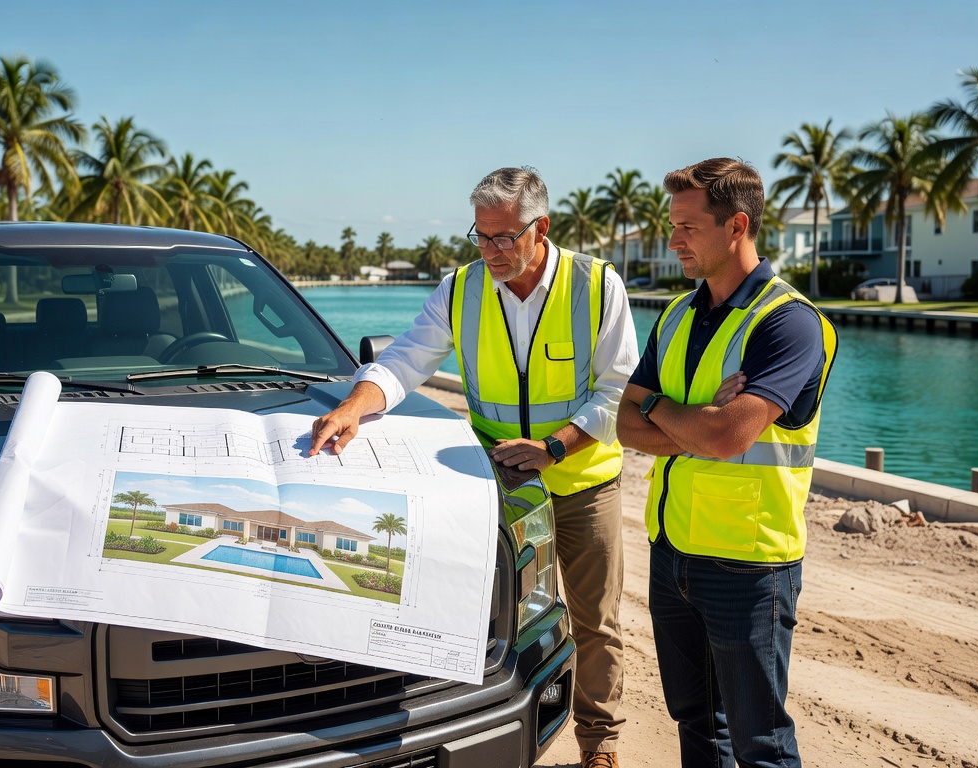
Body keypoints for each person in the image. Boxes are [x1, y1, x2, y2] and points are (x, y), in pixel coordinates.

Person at [310, 166, 639, 768]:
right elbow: (406, 359)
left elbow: (620, 393)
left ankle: (600, 743)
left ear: (541, 228)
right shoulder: (460, 289)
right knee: (485, 613)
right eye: (481, 237)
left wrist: (555, 448)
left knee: (595, 621)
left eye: (504, 238)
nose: (490, 251)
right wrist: (356, 405)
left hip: (582, 480)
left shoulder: (597, 286)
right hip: (497, 483)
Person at [616, 158, 838, 768]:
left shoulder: (789, 324)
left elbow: (728, 435)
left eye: (687, 227)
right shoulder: (677, 315)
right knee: (695, 725)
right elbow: (625, 423)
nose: (672, 240)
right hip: (672, 554)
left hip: (750, 565)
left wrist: (667, 410)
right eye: (673, 225)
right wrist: (687, 414)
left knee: (760, 744)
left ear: (736, 224)